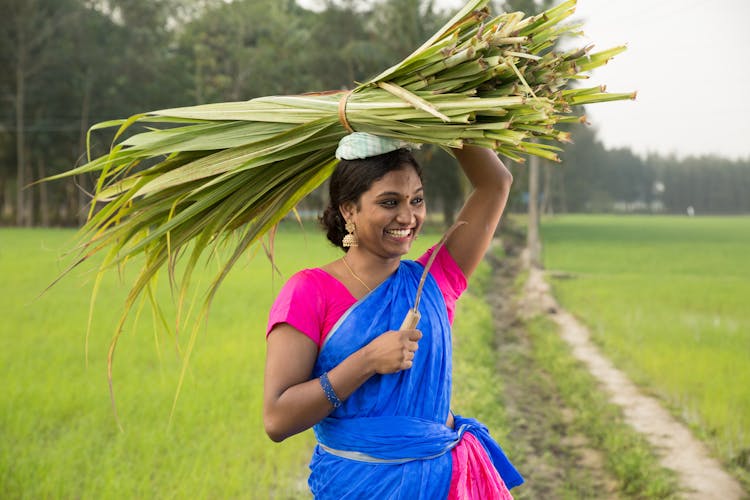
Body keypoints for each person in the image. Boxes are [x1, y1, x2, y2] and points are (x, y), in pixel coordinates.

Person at [264, 132, 522, 499]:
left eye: (417, 199)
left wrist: (446, 113)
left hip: (446, 483)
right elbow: (277, 418)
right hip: (355, 486)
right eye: (389, 202)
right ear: (348, 209)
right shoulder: (309, 292)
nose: (408, 216)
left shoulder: (436, 278)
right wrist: (367, 360)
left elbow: (496, 183)